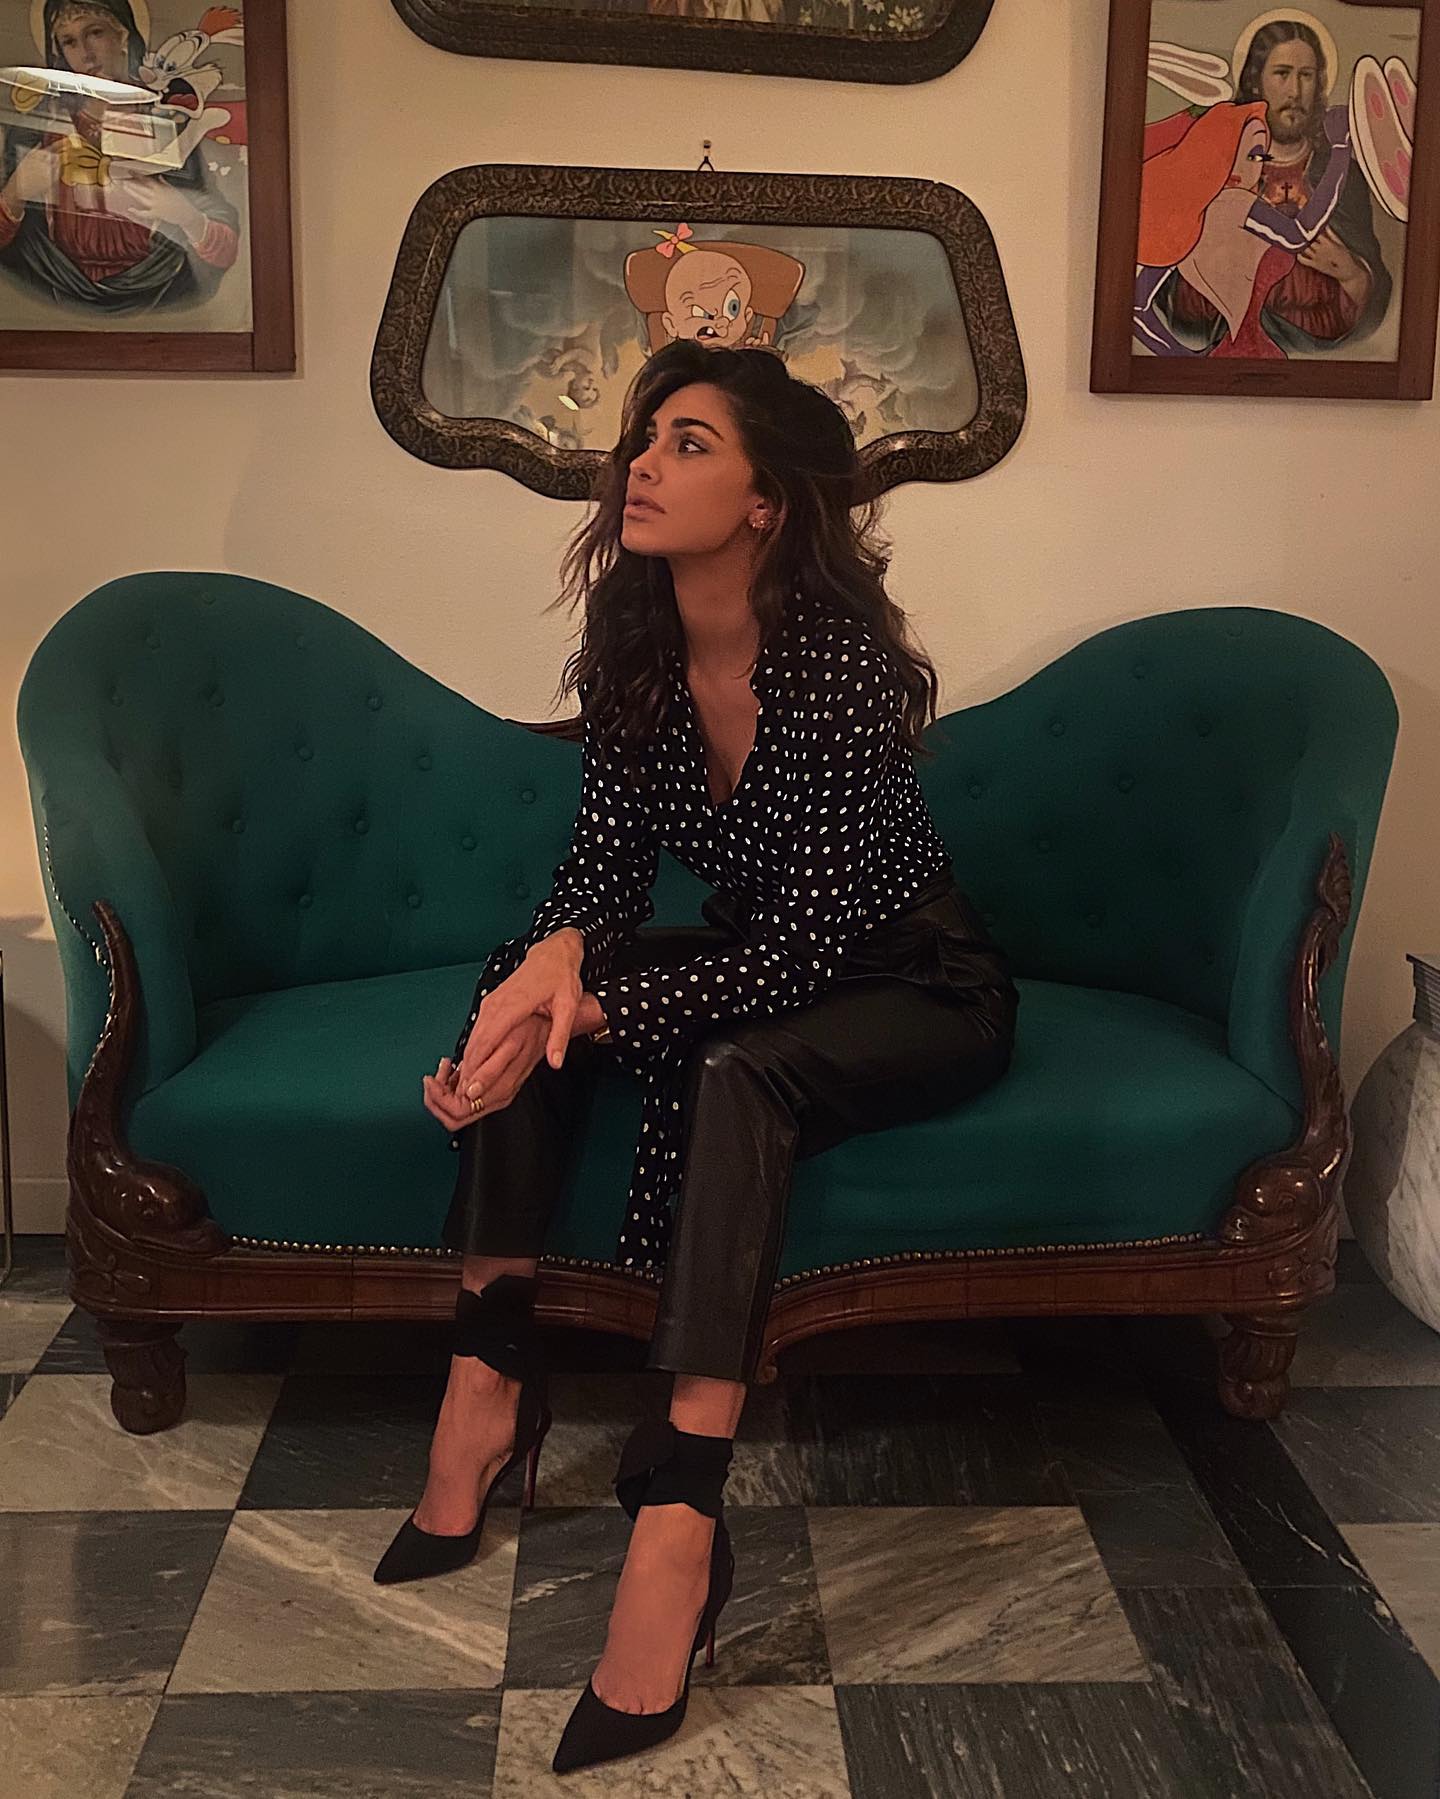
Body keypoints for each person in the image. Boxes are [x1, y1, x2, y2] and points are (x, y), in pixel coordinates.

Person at [375, 339, 1020, 1776]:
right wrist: (541, 980)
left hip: (913, 979)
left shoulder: (840, 671)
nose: (642, 466)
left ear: (766, 499)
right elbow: (603, 872)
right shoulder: (638, 644)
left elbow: (803, 952)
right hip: (771, 955)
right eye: (643, 439)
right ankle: (487, 1381)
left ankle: (680, 1518)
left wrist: (595, 1010)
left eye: (687, 443)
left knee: (736, 1064)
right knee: (522, 982)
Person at [1147, 19, 1391, 354]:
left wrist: (1352, 275)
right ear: (1256, 81)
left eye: (1306, 75)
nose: (1295, 91)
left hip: (1315, 350)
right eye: (1282, 73)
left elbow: (1376, 300)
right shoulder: (1214, 167)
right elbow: (1164, 270)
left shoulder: (1343, 177)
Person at [0, 1, 239, 313]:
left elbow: (227, 249)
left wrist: (186, 215)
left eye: (95, 33)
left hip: (160, 285)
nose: (85, 53)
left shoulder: (166, 119)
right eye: (69, 41)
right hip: (52, 278)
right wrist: (16, 192)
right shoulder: (39, 124)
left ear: (123, 35)